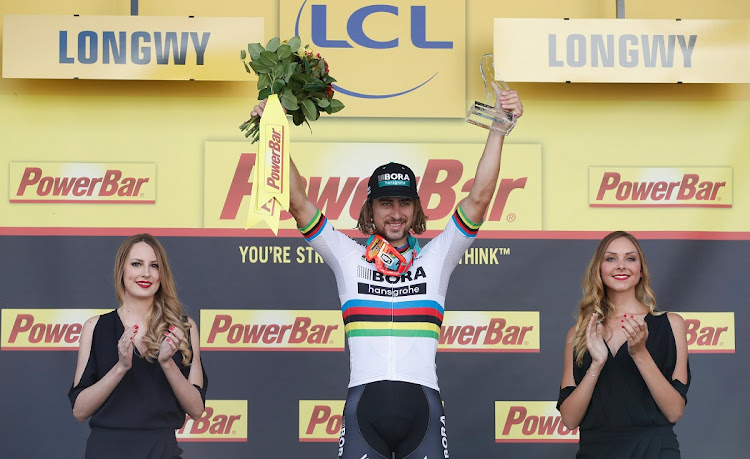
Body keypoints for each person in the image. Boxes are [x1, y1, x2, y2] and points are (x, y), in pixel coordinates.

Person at [251, 83, 522, 458]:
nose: (395, 213)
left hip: (423, 409)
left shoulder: (436, 258)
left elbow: (479, 197)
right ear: (370, 210)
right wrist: (272, 134)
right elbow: (298, 203)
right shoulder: (348, 257)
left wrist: (498, 129)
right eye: (385, 204)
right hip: (364, 408)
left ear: (415, 209)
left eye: (404, 203)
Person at [69, 234, 207, 459]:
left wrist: (167, 363)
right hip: (106, 451)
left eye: (154, 266)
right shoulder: (95, 327)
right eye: (136, 264)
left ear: (162, 274)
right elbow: (80, 410)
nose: (146, 273)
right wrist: (121, 367)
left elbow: (196, 409)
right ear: (121, 270)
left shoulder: (183, 328)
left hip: (162, 451)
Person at [557, 231, 690, 458]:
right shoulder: (579, 334)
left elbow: (674, 411)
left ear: (640, 271)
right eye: (610, 258)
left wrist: (640, 353)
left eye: (630, 258)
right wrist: (596, 365)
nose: (621, 266)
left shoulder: (671, 325)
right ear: (599, 270)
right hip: (596, 451)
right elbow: (569, 420)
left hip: (654, 451)